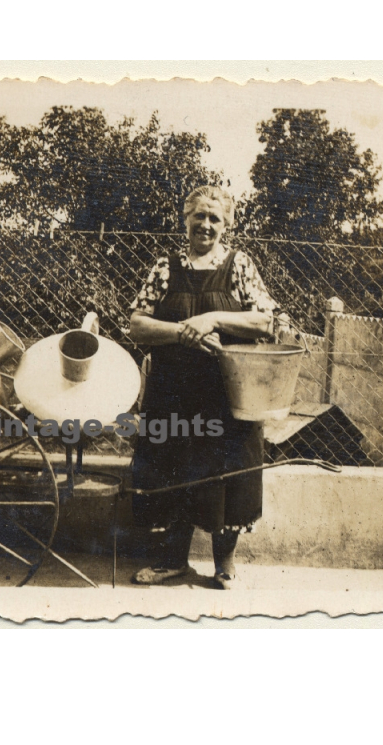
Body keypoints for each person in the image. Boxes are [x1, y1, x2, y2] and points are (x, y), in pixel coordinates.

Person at [129, 186, 276, 589]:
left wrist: (211, 319)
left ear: (226, 225)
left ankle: (224, 565)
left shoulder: (239, 264)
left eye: (214, 218)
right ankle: (171, 562)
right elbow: (137, 324)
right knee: (171, 471)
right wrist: (181, 332)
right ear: (186, 219)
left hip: (227, 395)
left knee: (230, 473)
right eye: (199, 216)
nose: (205, 225)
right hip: (172, 394)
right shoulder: (165, 266)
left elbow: (265, 321)